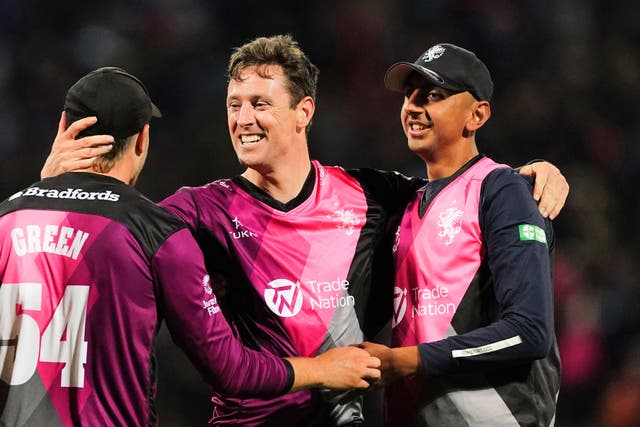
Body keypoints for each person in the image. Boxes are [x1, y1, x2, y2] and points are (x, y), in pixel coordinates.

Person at [40, 36, 568, 426]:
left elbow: (459, 193)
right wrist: (50, 186)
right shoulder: (199, 211)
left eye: (261, 104)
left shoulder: (374, 197)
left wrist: (527, 175)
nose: (243, 118)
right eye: (234, 105)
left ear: (304, 112)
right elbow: (104, 239)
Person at [0, 67, 382, 427]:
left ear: (62, 127)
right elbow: (231, 369)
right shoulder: (156, 233)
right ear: (143, 139)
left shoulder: (6, 218)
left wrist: (45, 190)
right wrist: (323, 369)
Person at [357, 43, 561, 426]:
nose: (413, 106)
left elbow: (530, 331)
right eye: (409, 95)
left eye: (433, 95)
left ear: (477, 115)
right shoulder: (404, 205)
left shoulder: (503, 191)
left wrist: (410, 359)